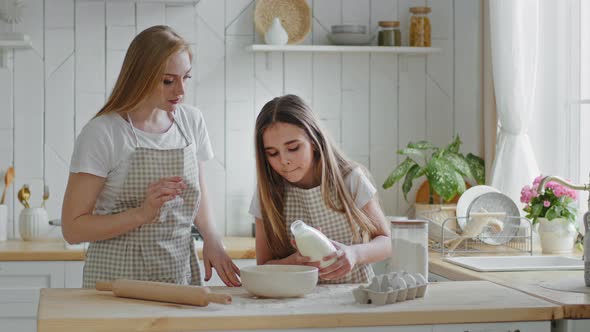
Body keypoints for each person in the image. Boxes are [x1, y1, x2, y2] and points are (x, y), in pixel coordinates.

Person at [61, 25, 240, 288]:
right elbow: (73, 229)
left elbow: (198, 193)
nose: (180, 91)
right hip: (116, 283)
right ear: (140, 77)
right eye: (168, 80)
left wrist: (213, 240)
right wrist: (142, 214)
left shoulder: (191, 122)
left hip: (179, 277)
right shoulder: (103, 133)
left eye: (186, 77)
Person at [249, 94, 391, 283]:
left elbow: (387, 242)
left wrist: (354, 253)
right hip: (296, 303)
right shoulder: (267, 194)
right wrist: (294, 262)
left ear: (314, 142)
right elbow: (263, 266)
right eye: (273, 153)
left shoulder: (350, 179)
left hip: (354, 297)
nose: (284, 161)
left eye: (293, 148)